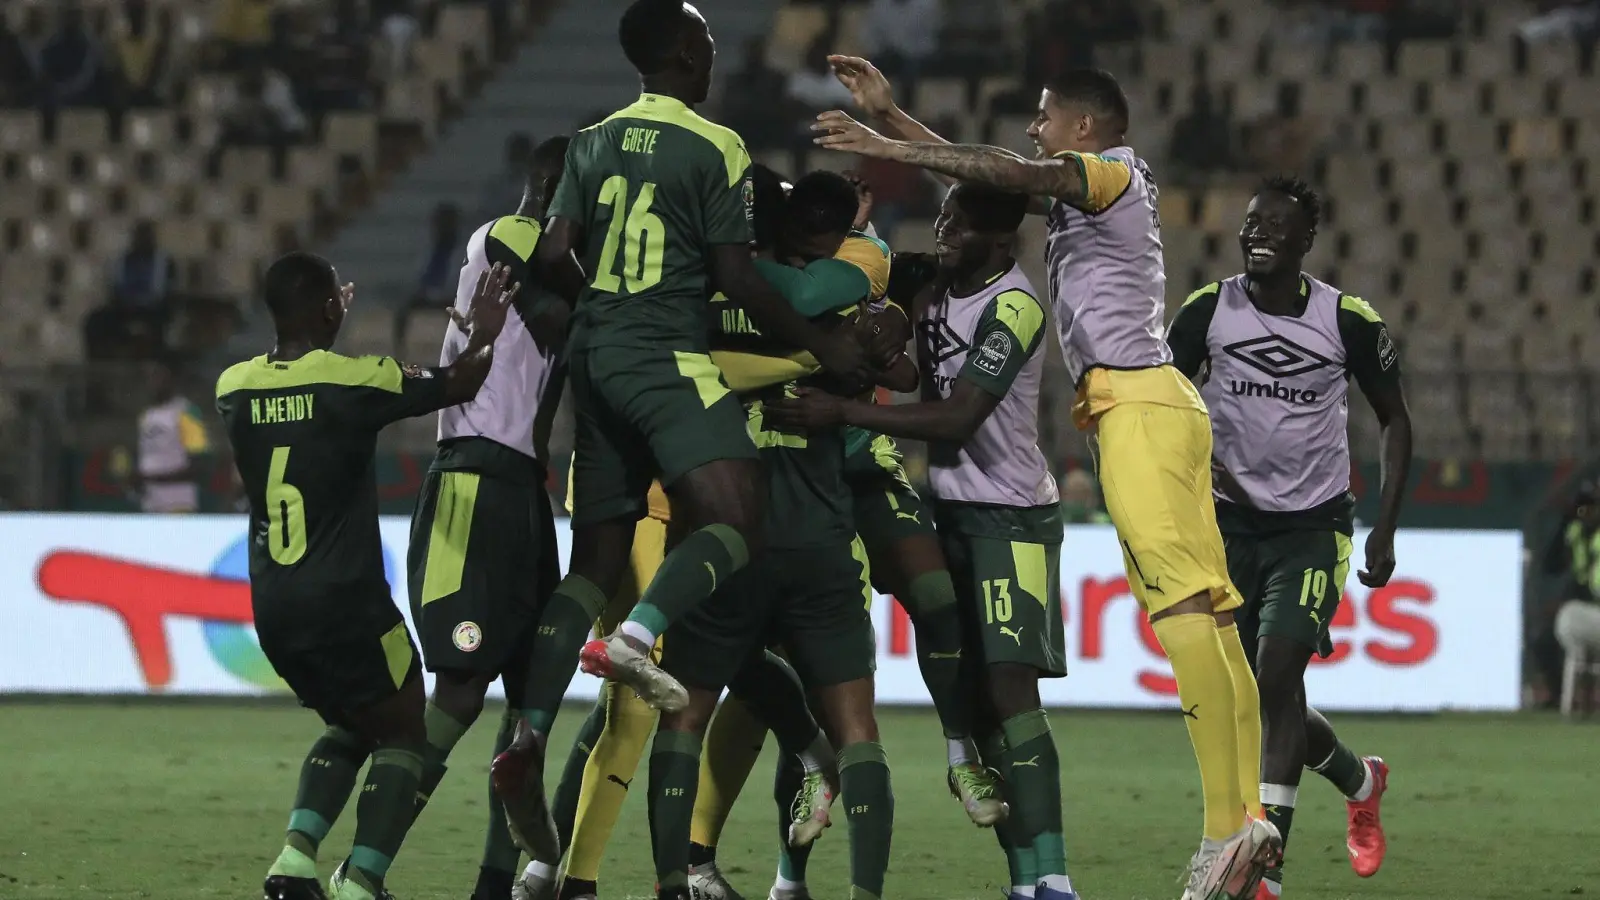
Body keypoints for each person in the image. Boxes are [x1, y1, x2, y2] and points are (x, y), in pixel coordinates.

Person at [810, 57, 1280, 899]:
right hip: (1152, 403)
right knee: (1210, 615)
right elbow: (988, 181)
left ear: (1086, 127)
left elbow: (1003, 171)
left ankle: (1224, 832)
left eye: (1043, 117)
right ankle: (1249, 819)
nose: (1033, 128)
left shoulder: (1110, 170)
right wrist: (898, 116)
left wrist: (884, 140)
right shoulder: (1087, 190)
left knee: (1180, 613)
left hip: (1137, 403)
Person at [493, 0, 871, 862]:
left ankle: (526, 732)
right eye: (702, 41)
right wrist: (817, 344)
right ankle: (633, 641)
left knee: (593, 563)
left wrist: (607, 301)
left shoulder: (590, 140)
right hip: (664, 354)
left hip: (596, 354)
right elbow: (736, 277)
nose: (711, 53)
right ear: (680, 55)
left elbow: (554, 254)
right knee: (738, 520)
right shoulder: (716, 145)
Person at [522, 166, 884, 900]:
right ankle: (573, 878)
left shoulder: (855, 259)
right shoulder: (706, 273)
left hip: (733, 512)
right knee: (637, 703)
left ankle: (675, 863)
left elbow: (860, 333)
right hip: (672, 509)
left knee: (730, 688)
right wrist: (815, 355)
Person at [771, 183, 1074, 900]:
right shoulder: (928, 281)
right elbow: (880, 319)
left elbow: (959, 417)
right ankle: (1023, 875)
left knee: (1009, 690)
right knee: (971, 687)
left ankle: (1052, 877)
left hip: (1010, 516)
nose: (942, 229)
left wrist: (843, 408)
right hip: (951, 510)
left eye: (958, 223)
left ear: (999, 241)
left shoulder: (1014, 306)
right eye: (941, 214)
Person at [218, 251, 517, 900]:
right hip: (345, 602)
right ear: (329, 308)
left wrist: (323, 320)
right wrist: (487, 330)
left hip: (273, 606)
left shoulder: (232, 388)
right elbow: (460, 381)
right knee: (405, 724)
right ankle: (362, 884)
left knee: (355, 721)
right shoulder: (357, 380)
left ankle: (295, 861)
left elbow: (293, 395)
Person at [653, 168, 903, 900]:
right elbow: (890, 356)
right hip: (820, 537)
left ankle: (675, 880)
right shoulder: (831, 295)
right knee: (856, 729)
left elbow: (682, 374)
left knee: (684, 715)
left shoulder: (693, 293)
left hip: (725, 536)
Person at [1166, 177, 1409, 899]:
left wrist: (1386, 531)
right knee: (1257, 695)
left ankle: (1260, 870)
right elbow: (1162, 405)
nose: (1259, 233)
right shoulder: (1208, 311)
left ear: (1307, 239)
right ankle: (1361, 781)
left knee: (1274, 677)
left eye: (1276, 224)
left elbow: (1396, 419)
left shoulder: (1349, 320)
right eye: (1250, 223)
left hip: (1313, 525)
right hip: (1225, 524)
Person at [402, 136, 572, 900]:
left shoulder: (567, 270)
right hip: (472, 477)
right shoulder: (503, 241)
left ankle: (492, 886)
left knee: (522, 699)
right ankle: (359, 866)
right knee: (463, 689)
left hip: (523, 493)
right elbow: (546, 297)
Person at [135, 357, 210, 514]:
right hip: (150, 505)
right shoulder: (147, 415)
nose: (152, 381)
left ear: (172, 378)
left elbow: (198, 466)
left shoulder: (187, 412)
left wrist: (152, 478)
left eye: (158, 375)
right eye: (149, 376)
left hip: (178, 504)